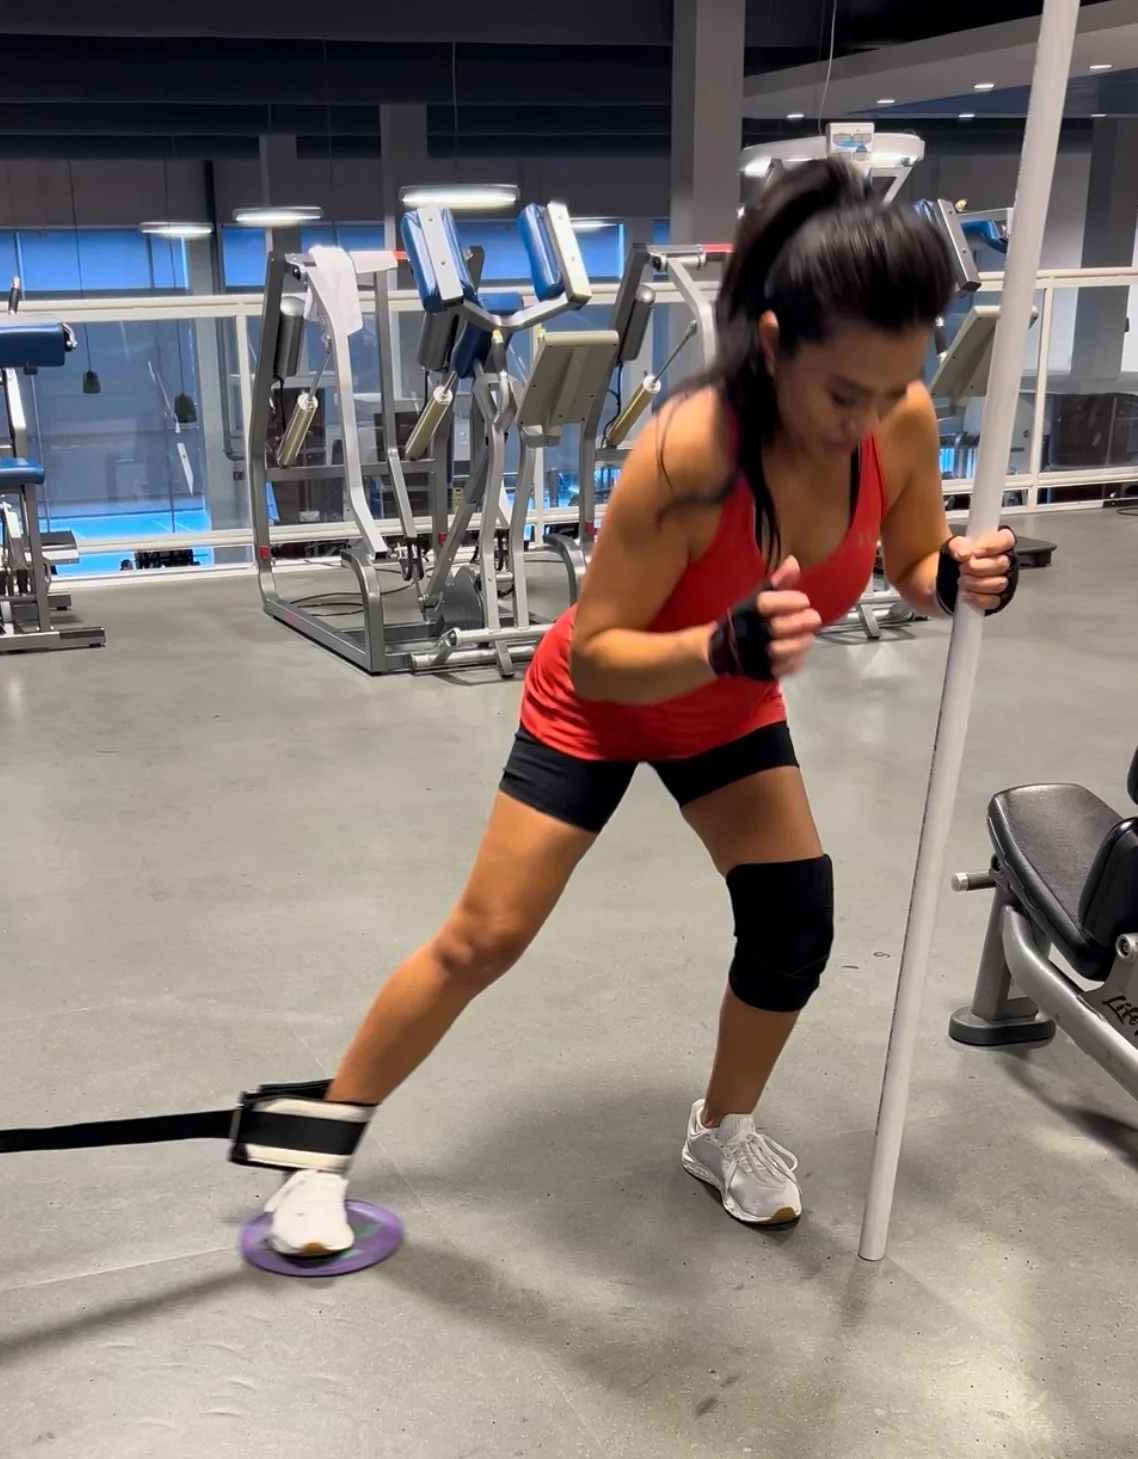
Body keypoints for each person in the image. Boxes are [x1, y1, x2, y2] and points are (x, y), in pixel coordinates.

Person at [259, 160, 1021, 1255]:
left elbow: (909, 559)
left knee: (794, 916)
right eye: (841, 393)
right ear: (772, 344)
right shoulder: (688, 456)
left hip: (727, 706)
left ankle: (721, 1126)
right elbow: (605, 655)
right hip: (604, 704)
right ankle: (313, 1146)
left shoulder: (892, 424)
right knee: (484, 938)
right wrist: (722, 643)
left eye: (893, 388)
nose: (868, 419)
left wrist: (957, 577)